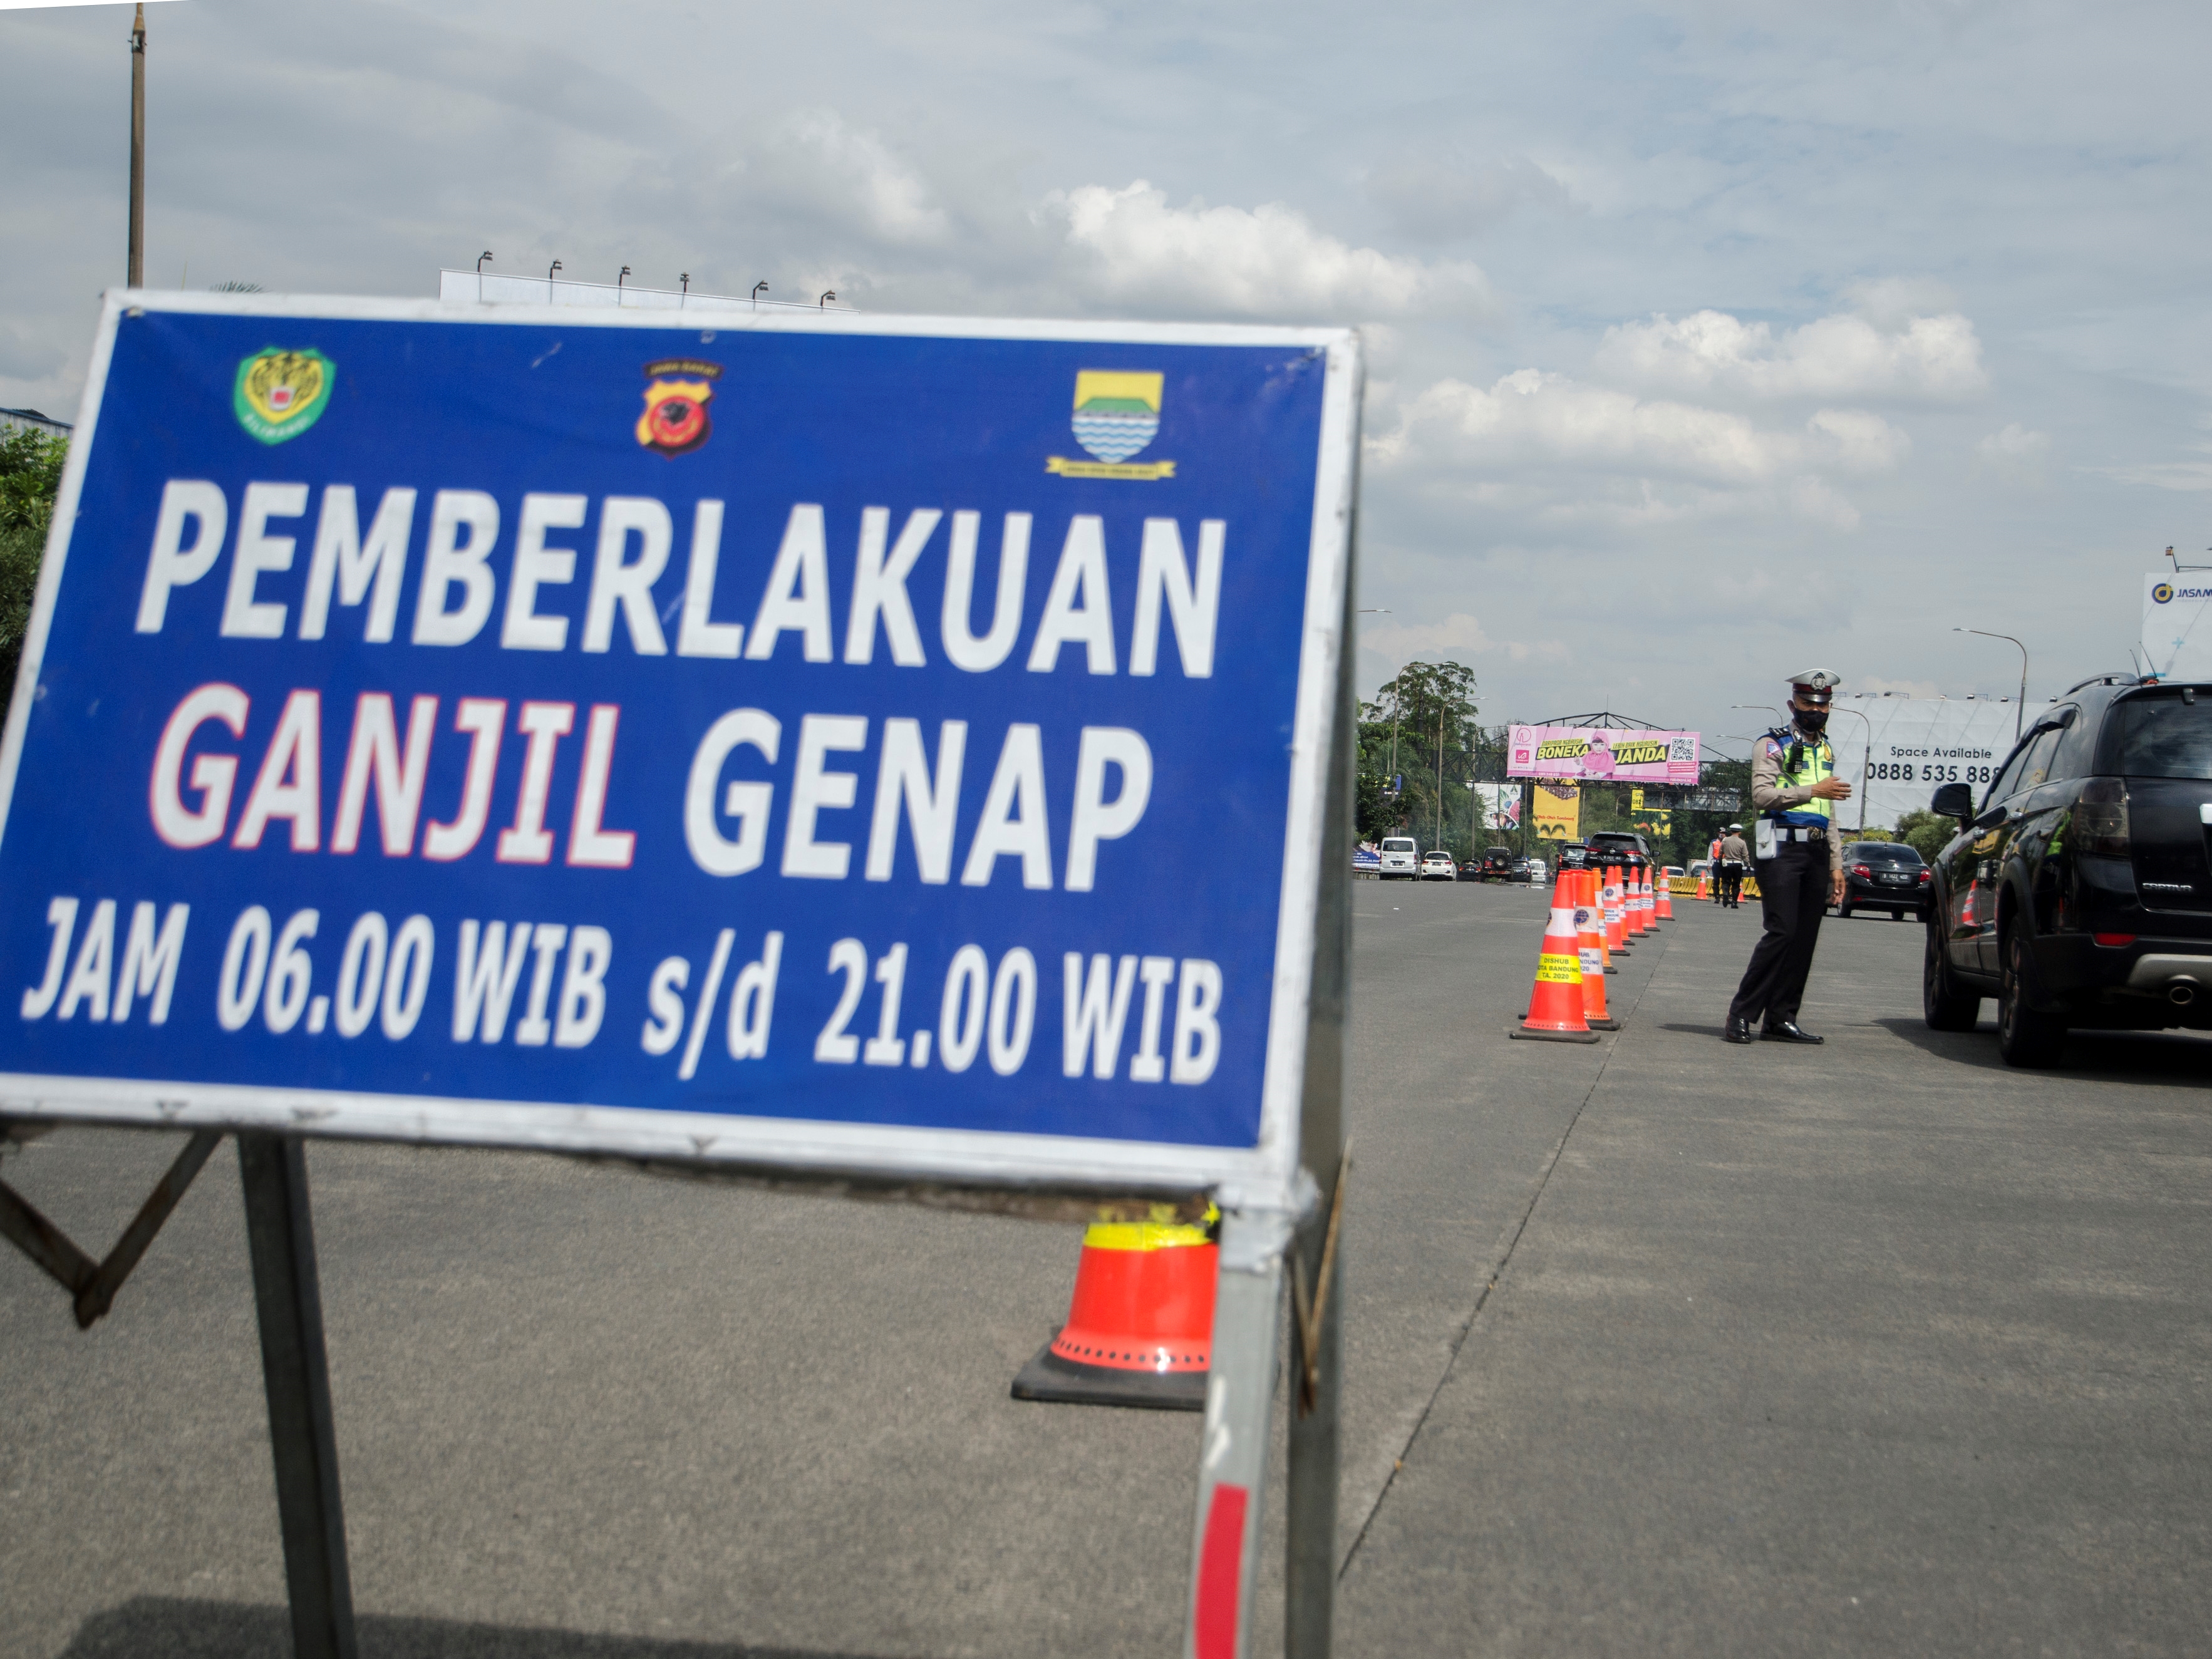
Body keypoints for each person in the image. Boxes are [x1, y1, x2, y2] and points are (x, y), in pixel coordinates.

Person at [1724, 671, 1852, 1045]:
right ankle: (1741, 1014)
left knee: (1805, 936)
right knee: (1782, 930)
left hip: (1814, 849)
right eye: (1808, 704)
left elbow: (1828, 810)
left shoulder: (1825, 749)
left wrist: (1836, 863)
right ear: (1792, 705)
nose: (1816, 710)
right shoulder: (1772, 745)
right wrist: (1814, 788)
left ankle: (1781, 1017)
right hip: (1778, 843)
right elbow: (1762, 797)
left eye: (1823, 704)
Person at [1717, 825, 1749, 909]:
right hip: (1737, 864)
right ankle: (1734, 902)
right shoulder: (1742, 842)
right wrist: (1748, 865)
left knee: (1726, 882)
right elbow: (1745, 855)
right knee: (1736, 884)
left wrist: (1720, 861)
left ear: (1731, 832)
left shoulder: (1725, 840)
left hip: (1726, 864)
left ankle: (1726, 894)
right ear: (1740, 832)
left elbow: (1720, 853)